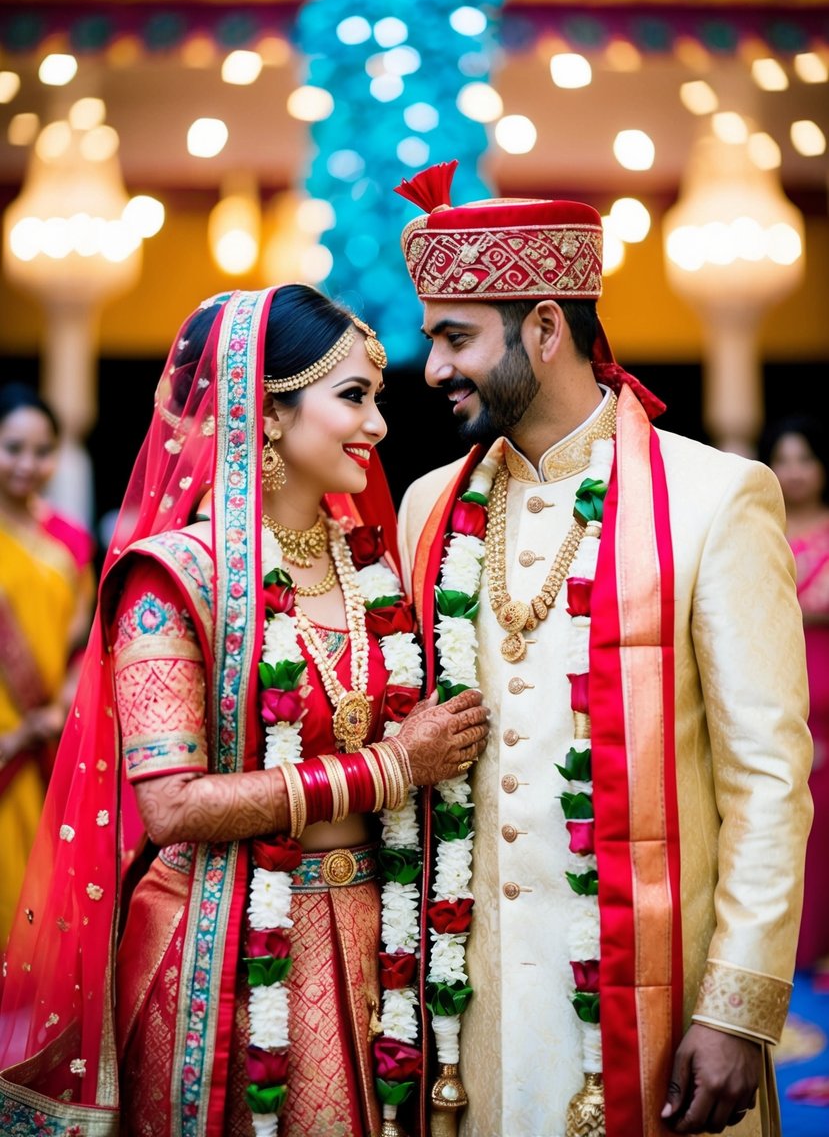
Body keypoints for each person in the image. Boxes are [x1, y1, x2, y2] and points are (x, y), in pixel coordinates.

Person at [0, 285, 488, 1136]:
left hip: (378, 938)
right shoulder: (174, 578)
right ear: (265, 412)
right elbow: (173, 803)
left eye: (375, 398)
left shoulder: (376, 566)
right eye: (352, 398)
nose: (378, 425)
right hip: (224, 949)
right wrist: (390, 768)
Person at [393, 162, 812, 1137]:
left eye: (457, 338)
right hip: (471, 1012)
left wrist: (735, 1006)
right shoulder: (428, 507)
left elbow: (765, 772)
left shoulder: (715, 496)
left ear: (544, 328)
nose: (434, 370)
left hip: (656, 1000)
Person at [0, 382, 95, 945]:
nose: (27, 465)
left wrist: (56, 708)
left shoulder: (68, 541)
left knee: (34, 916)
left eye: (42, 451)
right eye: (13, 448)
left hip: (45, 745)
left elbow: (81, 645)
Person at [760, 414, 829, 979]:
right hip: (777, 684)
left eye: (805, 458)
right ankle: (788, 959)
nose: (795, 471)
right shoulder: (760, 526)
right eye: (784, 459)